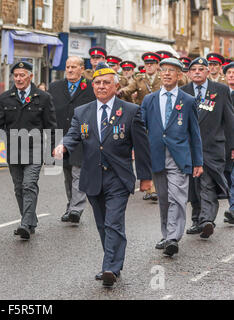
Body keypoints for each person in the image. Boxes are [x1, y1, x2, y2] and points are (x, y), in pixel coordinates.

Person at [53, 62, 153, 287]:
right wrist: (63, 146)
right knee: (102, 224)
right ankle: (113, 261)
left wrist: (145, 178)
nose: (101, 86)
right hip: (93, 176)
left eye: (106, 82)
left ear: (116, 85)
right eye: (97, 83)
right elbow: (73, 135)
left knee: (114, 223)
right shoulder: (82, 112)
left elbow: (142, 147)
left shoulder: (130, 111)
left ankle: (110, 267)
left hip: (118, 176)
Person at [141, 58, 203, 256]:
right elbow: (142, 129)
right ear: (160, 74)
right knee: (164, 199)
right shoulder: (149, 100)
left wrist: (198, 161)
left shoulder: (188, 100)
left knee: (177, 197)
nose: (167, 73)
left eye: (172, 71)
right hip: (156, 154)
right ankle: (166, 233)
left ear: (179, 76)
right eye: (164, 70)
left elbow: (195, 133)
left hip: (179, 156)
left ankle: (172, 238)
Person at [0, 61, 57, 240]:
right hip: (12, 150)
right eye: (16, 75)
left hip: (35, 150)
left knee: (29, 185)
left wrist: (53, 149)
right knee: (19, 188)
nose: (18, 79)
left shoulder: (43, 97)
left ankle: (25, 224)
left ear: (30, 76)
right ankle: (30, 220)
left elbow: (51, 126)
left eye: (22, 75)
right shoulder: (5, 98)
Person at [181, 57, 234, 238]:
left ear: (208, 72)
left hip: (213, 148)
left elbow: (230, 121)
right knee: (194, 187)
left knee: (208, 184)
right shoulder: (182, 92)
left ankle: (207, 220)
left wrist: (232, 146)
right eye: (193, 69)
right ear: (188, 73)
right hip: (189, 150)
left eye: (201, 69)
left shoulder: (220, 90)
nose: (197, 72)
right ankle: (197, 221)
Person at [48, 56, 96, 223]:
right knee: (68, 173)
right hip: (61, 136)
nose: (69, 70)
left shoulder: (90, 87)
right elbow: (49, 111)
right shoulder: (54, 87)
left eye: (74, 67)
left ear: (82, 69)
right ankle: (71, 205)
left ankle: (76, 208)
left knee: (78, 171)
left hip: (83, 137)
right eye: (68, 67)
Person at [119, 52, 162, 201]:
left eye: (152, 63)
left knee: (158, 151)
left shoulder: (163, 77)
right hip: (144, 118)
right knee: (146, 151)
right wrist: (121, 91)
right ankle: (151, 187)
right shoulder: (139, 79)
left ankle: (157, 186)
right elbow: (129, 88)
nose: (149, 66)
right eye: (147, 63)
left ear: (157, 65)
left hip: (162, 118)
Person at [223, 61, 234, 224]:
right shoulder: (220, 93)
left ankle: (233, 208)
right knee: (227, 176)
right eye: (229, 73)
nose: (232, 75)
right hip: (222, 142)